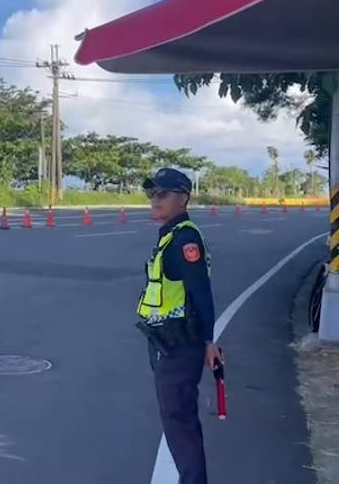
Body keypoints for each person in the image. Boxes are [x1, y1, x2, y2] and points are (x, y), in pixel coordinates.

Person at [136, 167, 222, 484]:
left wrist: (209, 341)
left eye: (163, 194)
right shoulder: (170, 235)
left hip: (180, 345)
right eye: (152, 193)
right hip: (165, 342)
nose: (155, 199)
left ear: (183, 199)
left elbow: (201, 291)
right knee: (175, 419)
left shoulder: (185, 239)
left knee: (179, 421)